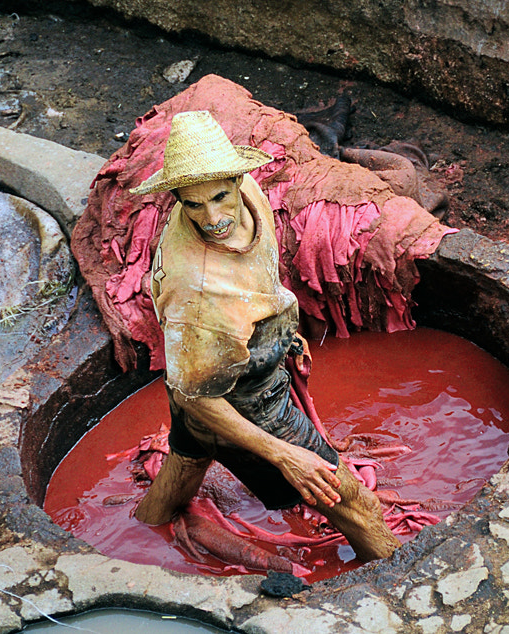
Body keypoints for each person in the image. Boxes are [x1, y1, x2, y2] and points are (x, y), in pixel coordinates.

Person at [130, 110, 400, 562]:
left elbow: (258, 279)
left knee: (186, 460)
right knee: (355, 503)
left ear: (237, 180)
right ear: (175, 199)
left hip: (220, 366)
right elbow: (196, 396)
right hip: (241, 402)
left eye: (219, 197)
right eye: (193, 205)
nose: (213, 217)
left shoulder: (250, 195)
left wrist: (282, 331)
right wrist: (282, 454)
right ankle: (401, 588)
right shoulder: (194, 290)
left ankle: (129, 546)